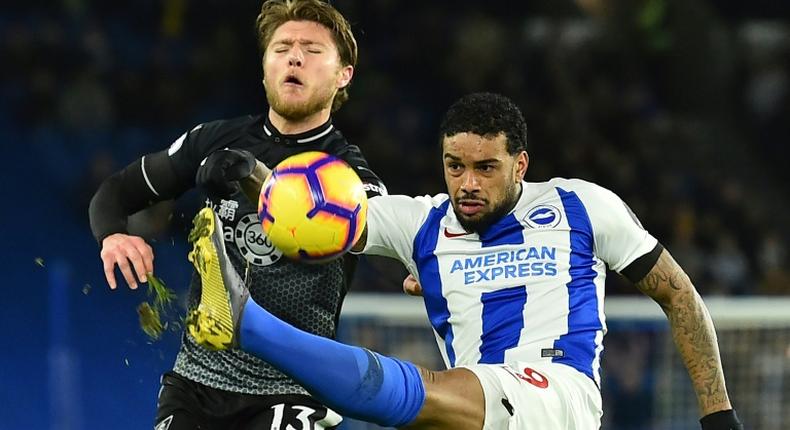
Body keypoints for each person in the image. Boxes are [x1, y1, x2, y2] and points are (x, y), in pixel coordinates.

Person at [185, 92, 743, 430]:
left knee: (420, 392)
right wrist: (251, 173)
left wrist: (718, 415)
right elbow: (315, 211)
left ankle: (247, 324)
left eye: (486, 168)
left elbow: (677, 293)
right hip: (473, 408)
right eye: (454, 166)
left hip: (560, 397)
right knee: (438, 393)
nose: (467, 184)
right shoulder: (423, 223)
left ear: (520, 164)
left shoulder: (580, 206)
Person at [88, 1, 387, 428]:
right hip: (195, 384)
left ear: (344, 75)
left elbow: (375, 231)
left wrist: (256, 178)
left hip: (293, 388)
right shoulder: (215, 139)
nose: (295, 57)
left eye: (312, 49)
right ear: (265, 66)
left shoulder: (349, 175)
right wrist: (113, 235)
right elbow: (116, 191)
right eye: (281, 47)